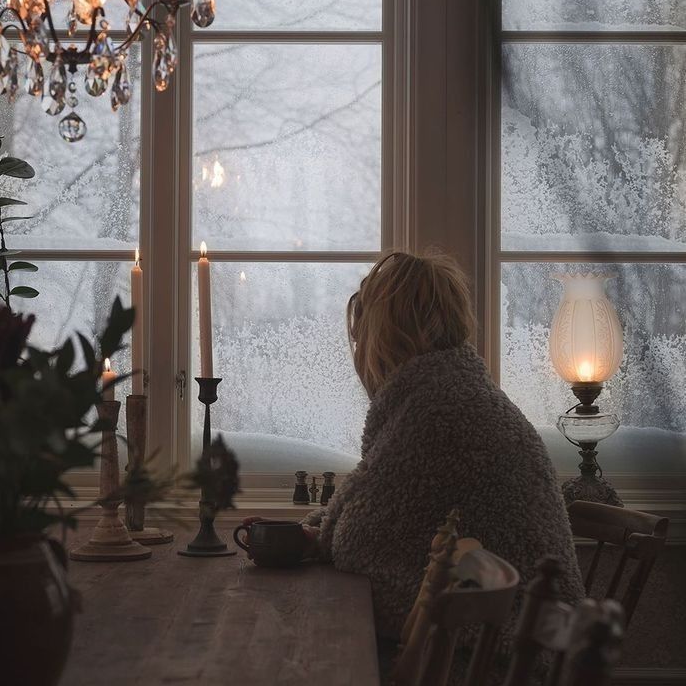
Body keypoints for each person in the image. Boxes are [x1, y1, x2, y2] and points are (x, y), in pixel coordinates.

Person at [242, 250, 583, 654]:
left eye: (363, 329)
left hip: (502, 658)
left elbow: (357, 540)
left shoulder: (437, 410)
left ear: (386, 332)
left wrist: (319, 536)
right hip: (530, 642)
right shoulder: (450, 391)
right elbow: (371, 496)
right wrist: (322, 528)